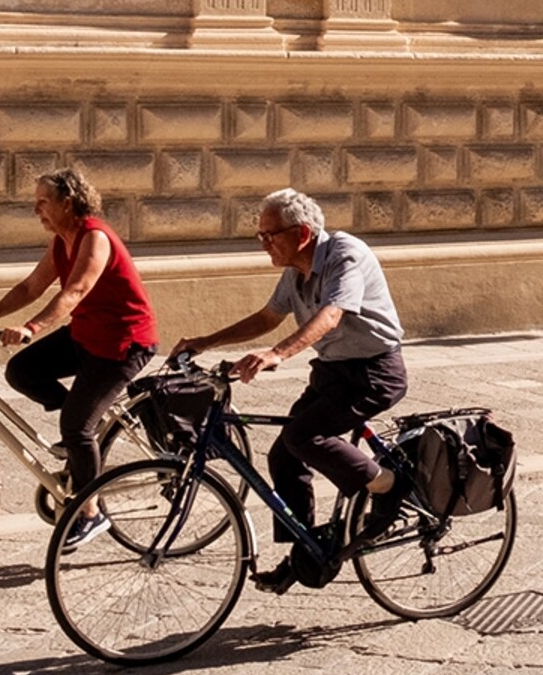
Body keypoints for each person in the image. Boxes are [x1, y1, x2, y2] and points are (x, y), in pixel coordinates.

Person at [173, 188, 409, 592]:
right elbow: (267, 317)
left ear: (301, 233)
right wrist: (207, 341)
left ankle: (388, 485)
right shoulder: (296, 270)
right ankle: (305, 551)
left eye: (270, 235)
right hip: (333, 372)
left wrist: (278, 354)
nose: (263, 243)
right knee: (284, 453)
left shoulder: (344, 254)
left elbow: (331, 315)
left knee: (304, 436)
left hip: (374, 372)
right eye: (260, 235)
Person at [0, 167, 157, 548]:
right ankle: (84, 434)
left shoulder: (95, 238)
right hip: (86, 337)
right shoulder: (62, 241)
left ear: (67, 203)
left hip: (123, 344)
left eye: (43, 202)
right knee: (22, 371)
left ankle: (91, 512)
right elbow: (31, 287)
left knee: (75, 426)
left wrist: (31, 329)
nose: (36, 209)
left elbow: (76, 291)